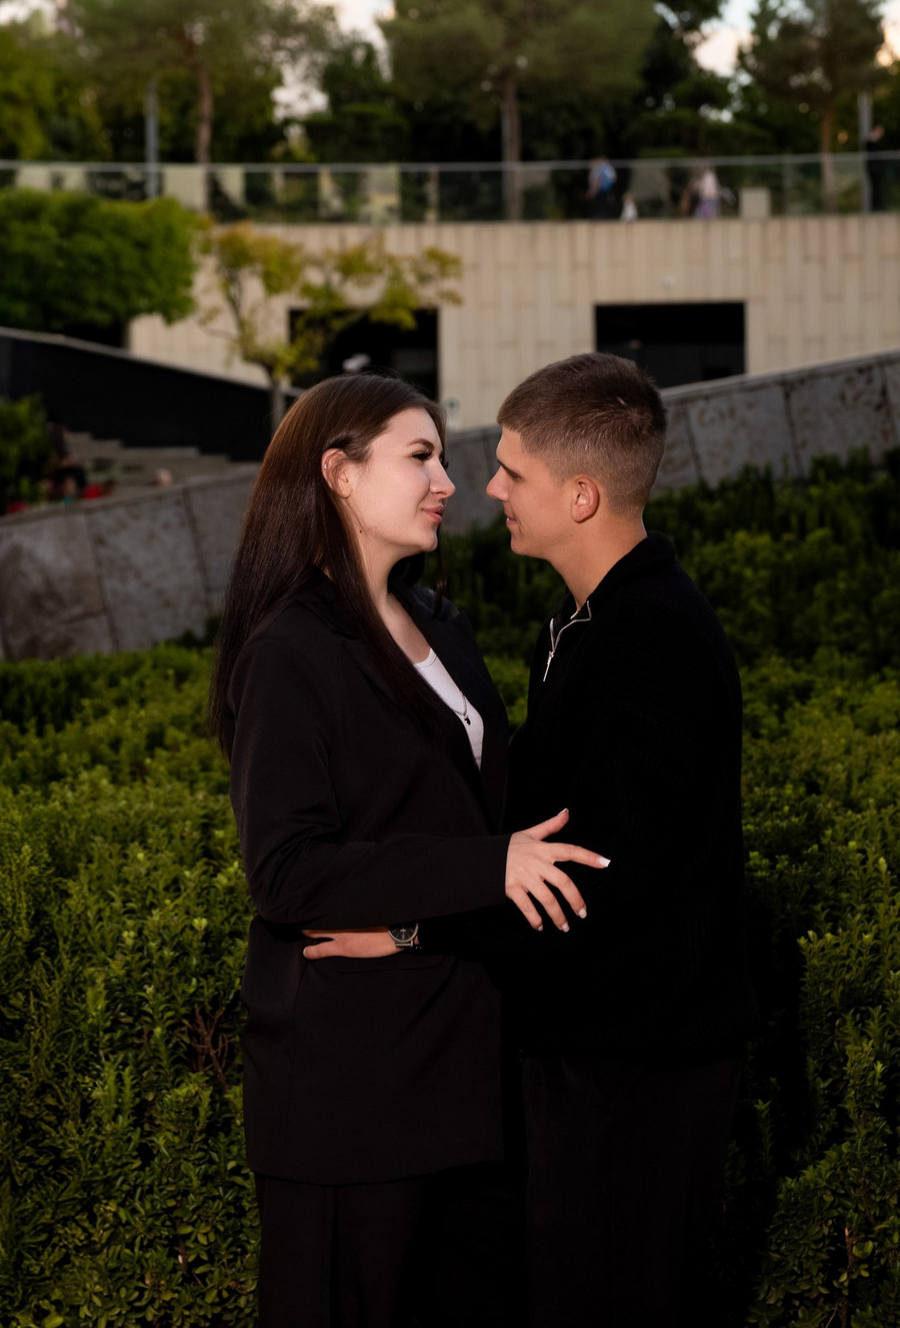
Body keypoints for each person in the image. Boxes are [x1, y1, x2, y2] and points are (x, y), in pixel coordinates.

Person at [213, 372, 610, 1328]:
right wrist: (487, 867)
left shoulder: (441, 622)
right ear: (338, 474)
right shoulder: (290, 650)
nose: (448, 481)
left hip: (471, 1079)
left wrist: (415, 921)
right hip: (354, 1094)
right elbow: (288, 871)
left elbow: (487, 812)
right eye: (421, 456)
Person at [482, 354, 757, 1328]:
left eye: (512, 472)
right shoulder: (582, 621)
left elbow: (599, 881)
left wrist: (411, 936)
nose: (491, 489)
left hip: (634, 1073)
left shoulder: (649, 638)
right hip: (596, 1059)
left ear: (581, 493)